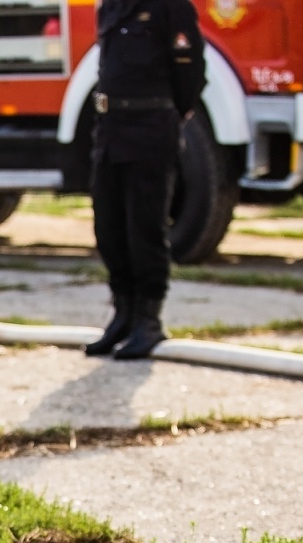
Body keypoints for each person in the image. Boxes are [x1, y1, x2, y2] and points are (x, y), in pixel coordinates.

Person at [82, 0, 204, 361]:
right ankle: (123, 314)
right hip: (110, 130)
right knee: (109, 227)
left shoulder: (171, 6)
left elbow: (191, 69)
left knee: (144, 228)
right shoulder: (111, 6)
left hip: (150, 129)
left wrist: (165, 114)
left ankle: (148, 320)